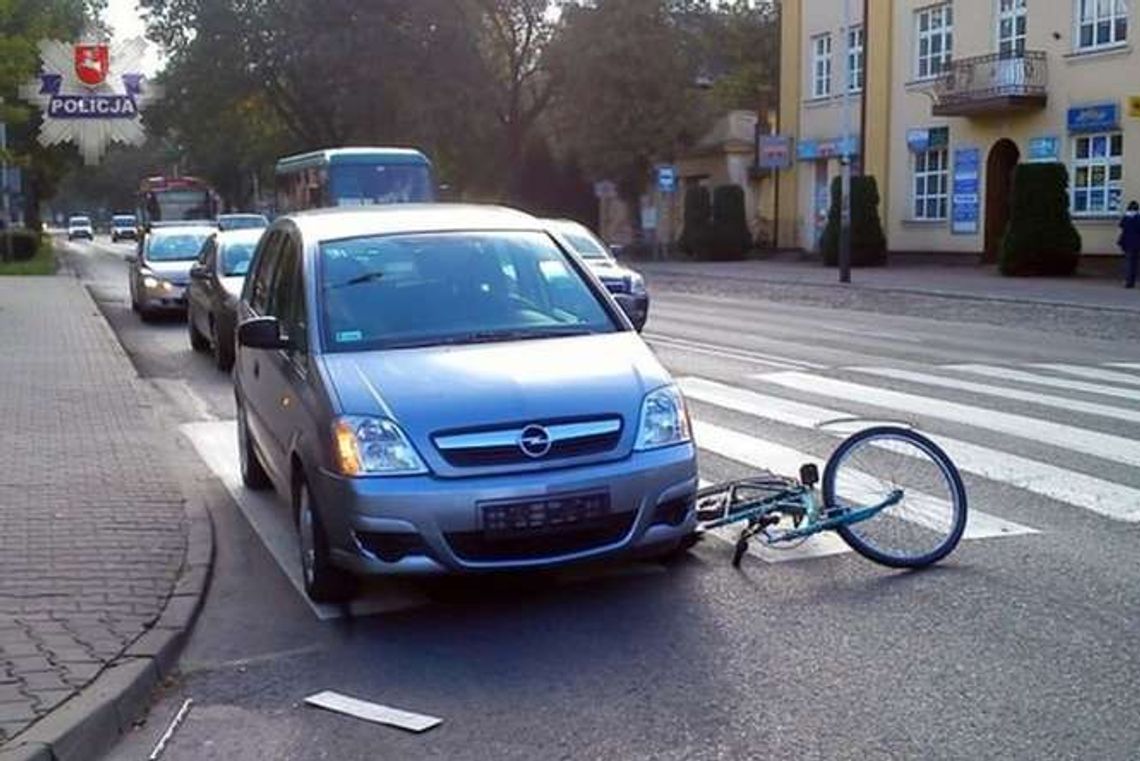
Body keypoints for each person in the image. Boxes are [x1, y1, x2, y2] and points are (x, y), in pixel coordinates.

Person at [1120, 201, 1140, 289]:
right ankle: (1133, 280)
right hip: (1137, 243)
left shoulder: (1126, 218)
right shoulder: (1138, 218)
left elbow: (1121, 226)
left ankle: (1129, 282)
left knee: (1129, 263)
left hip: (1127, 243)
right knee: (1135, 263)